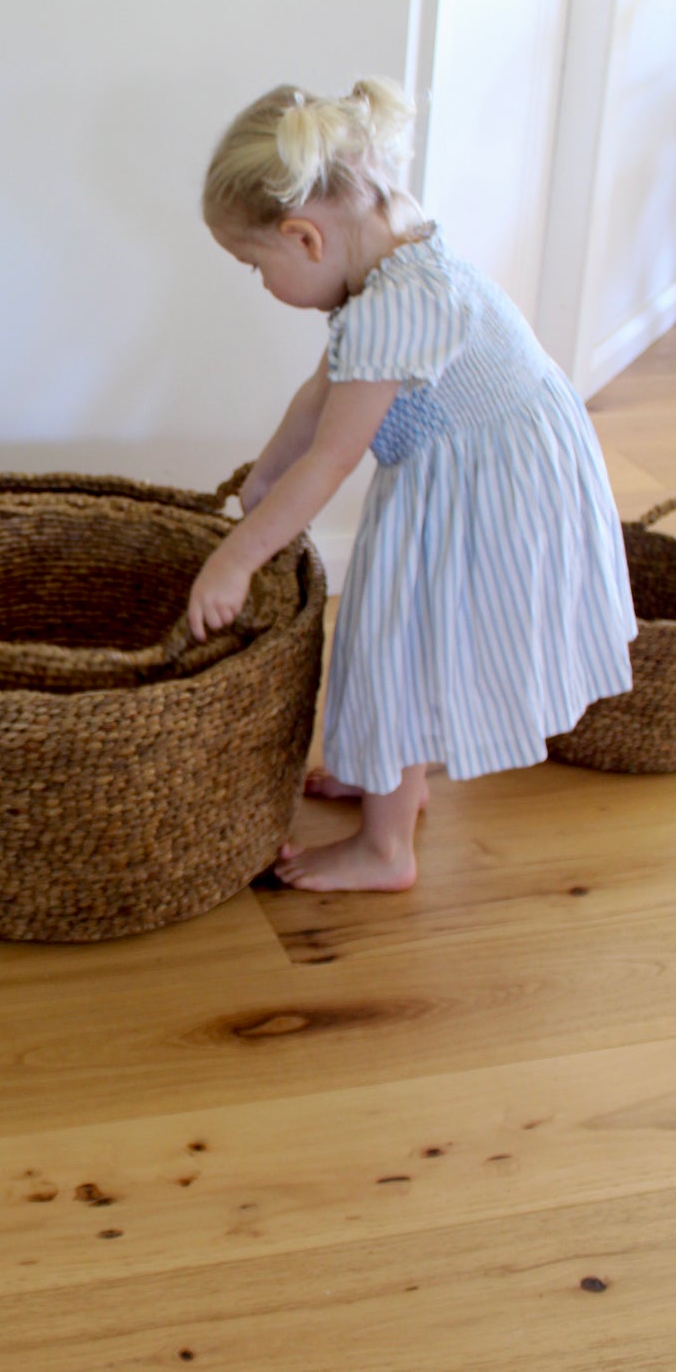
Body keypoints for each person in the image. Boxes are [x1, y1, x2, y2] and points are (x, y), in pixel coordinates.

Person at [188, 76, 636, 891]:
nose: (261, 285)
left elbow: (331, 459)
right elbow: (323, 387)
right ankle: (393, 778)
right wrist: (264, 466)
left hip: (483, 486)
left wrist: (236, 558)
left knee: (398, 648)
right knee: (408, 637)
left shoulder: (394, 310)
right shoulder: (386, 237)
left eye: (255, 267)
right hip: (492, 457)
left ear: (304, 239)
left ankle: (385, 848)